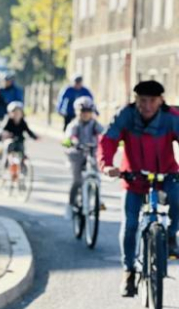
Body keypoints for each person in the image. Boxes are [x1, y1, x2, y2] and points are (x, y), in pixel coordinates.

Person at [98, 80, 179, 297]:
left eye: (152, 100)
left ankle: (171, 236)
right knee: (131, 224)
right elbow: (108, 140)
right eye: (142, 100)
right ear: (136, 100)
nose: (147, 105)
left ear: (161, 100)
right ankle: (129, 272)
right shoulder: (126, 115)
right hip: (134, 176)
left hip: (166, 174)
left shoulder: (171, 117)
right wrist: (107, 165)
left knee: (177, 197)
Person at [63, 96, 104, 217]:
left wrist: (110, 140)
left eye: (88, 112)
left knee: (96, 175)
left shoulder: (95, 124)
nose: (86, 114)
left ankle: (97, 199)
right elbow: (68, 137)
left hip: (91, 153)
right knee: (77, 181)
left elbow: (105, 134)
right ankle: (70, 205)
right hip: (76, 154)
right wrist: (71, 141)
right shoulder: (74, 125)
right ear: (78, 112)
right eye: (83, 112)